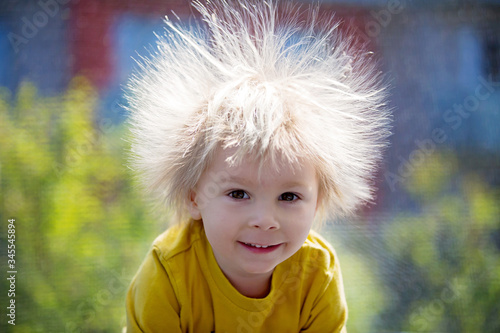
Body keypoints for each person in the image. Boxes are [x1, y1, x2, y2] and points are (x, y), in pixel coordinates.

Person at [125, 1, 391, 332]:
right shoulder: (168, 274)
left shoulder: (316, 275)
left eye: (289, 197)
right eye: (238, 193)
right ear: (194, 196)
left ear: (319, 201)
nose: (265, 220)